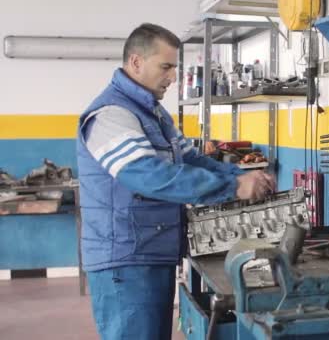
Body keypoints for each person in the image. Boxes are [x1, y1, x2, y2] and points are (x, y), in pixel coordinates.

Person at [76, 23, 276, 340]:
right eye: (166, 67)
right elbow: (149, 177)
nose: (172, 77)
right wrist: (233, 188)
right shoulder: (111, 115)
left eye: (174, 68)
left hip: (151, 252)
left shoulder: (154, 115)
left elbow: (191, 159)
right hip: (125, 262)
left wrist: (242, 175)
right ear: (136, 62)